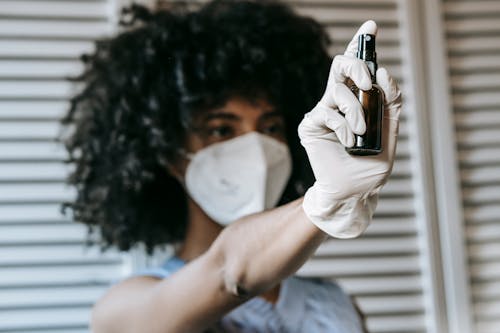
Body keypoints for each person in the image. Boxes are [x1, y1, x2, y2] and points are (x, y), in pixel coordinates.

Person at [62, 1, 401, 332]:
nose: (255, 148)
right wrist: (324, 203)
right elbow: (228, 273)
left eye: (269, 128)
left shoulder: (333, 305)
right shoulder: (124, 311)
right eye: (221, 129)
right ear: (169, 153)